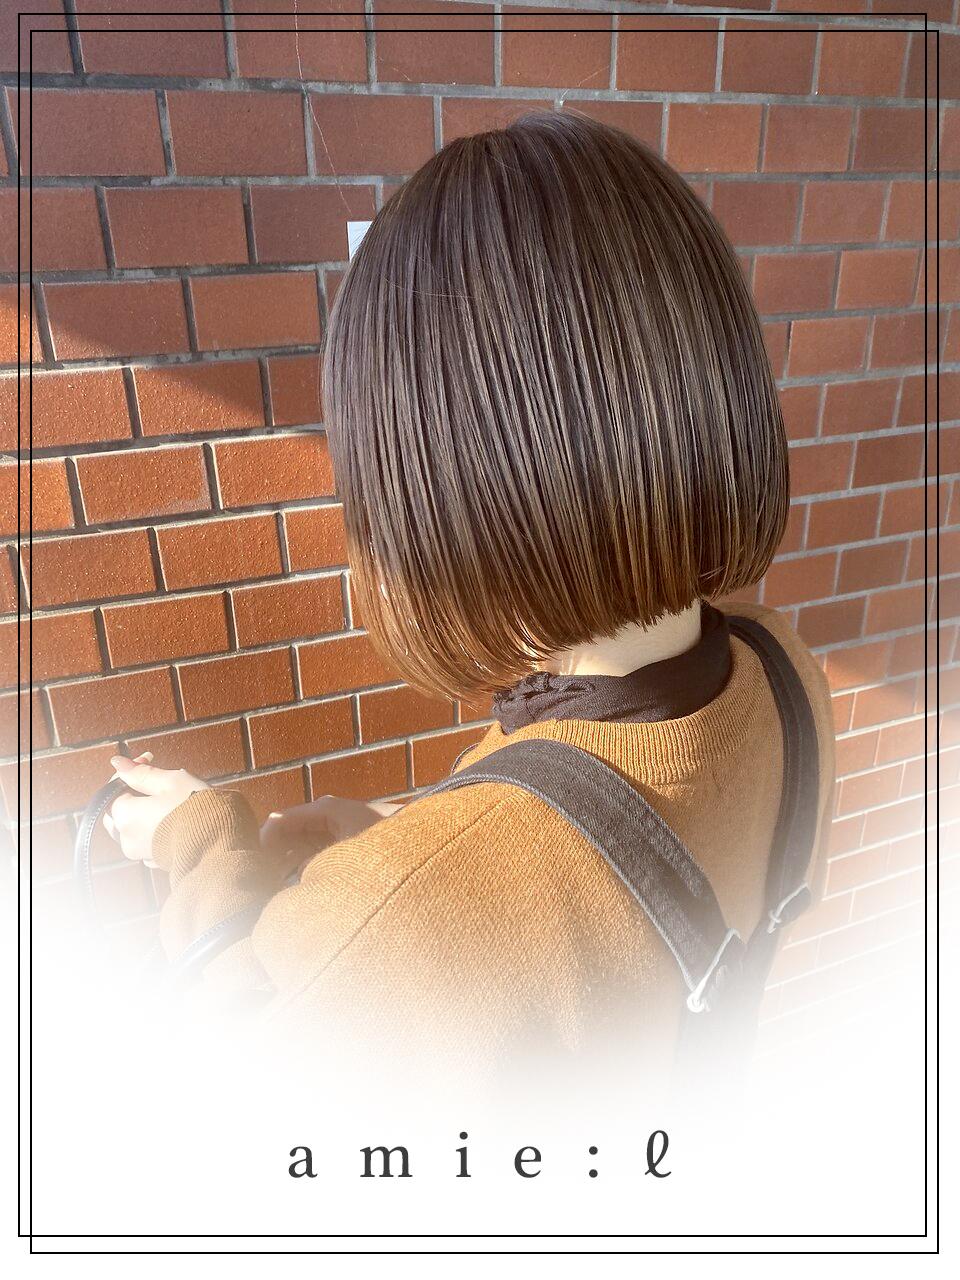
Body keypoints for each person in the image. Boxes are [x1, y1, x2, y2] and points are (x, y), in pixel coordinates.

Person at [104, 111, 836, 1092]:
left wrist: (198, 842)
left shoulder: (402, 936)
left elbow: (230, 1091)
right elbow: (630, 851)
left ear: (441, 494)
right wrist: (415, 834)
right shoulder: (791, 679)